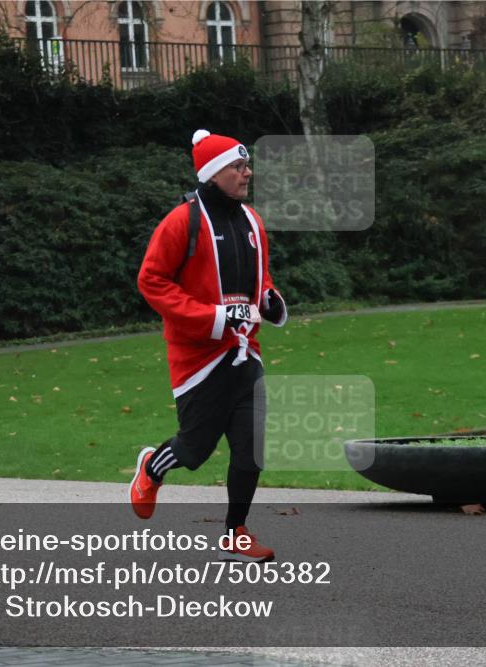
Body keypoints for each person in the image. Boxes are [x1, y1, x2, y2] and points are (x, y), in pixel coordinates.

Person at [134, 129, 288, 563]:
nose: (247, 172)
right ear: (215, 173)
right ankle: (150, 468)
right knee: (194, 450)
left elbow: (259, 279)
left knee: (251, 449)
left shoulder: (253, 222)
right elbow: (151, 281)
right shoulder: (182, 221)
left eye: (247, 165)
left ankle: (235, 533)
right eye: (239, 167)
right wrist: (214, 318)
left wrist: (269, 301)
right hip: (199, 359)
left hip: (245, 353)